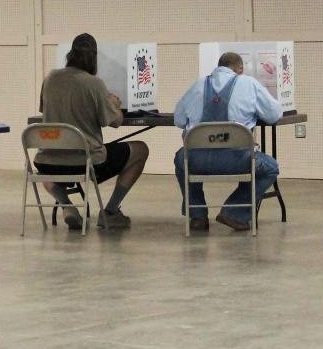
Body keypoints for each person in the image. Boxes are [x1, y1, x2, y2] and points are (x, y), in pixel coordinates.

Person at [34, 33, 149, 230]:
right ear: (94, 58)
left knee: (43, 163)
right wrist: (113, 104)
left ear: (69, 54)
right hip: (85, 162)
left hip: (49, 162)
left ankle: (67, 206)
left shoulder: (50, 78)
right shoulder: (94, 83)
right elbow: (114, 122)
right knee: (140, 149)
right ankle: (110, 212)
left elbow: (44, 110)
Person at [174, 52, 283, 232]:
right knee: (270, 167)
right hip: (237, 161)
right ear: (240, 69)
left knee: (181, 161)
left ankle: (197, 216)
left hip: (197, 162)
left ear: (218, 66)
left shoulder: (198, 84)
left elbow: (178, 120)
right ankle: (234, 212)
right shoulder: (249, 84)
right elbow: (274, 115)